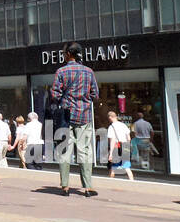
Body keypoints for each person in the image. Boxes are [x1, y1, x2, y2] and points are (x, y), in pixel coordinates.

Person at [51, 42, 99, 197]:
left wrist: (65, 100)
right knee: (84, 151)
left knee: (65, 151)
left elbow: (55, 94)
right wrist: (84, 100)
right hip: (84, 116)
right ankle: (88, 187)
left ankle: (65, 186)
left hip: (66, 116)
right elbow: (95, 94)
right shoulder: (89, 71)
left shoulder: (61, 71)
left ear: (68, 54)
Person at [106, 109, 133, 180]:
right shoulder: (123, 125)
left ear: (110, 118)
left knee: (113, 168)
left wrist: (111, 153)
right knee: (127, 167)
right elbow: (129, 138)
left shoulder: (111, 127)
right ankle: (132, 182)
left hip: (116, 147)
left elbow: (112, 140)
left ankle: (110, 182)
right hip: (125, 146)